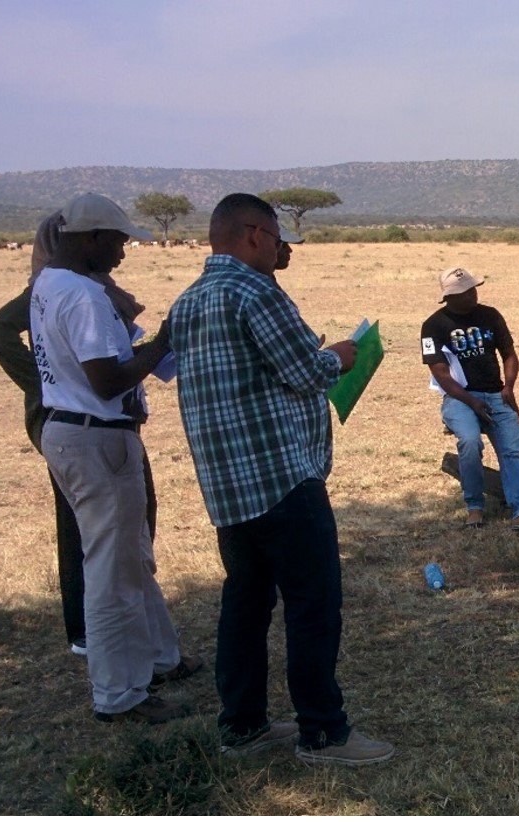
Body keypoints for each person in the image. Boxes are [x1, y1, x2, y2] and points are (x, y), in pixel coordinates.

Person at [168, 193, 394, 763]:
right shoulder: (255, 291)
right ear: (251, 234)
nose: (279, 247)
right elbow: (304, 371)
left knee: (244, 605)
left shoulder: (188, 301)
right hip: (281, 477)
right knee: (312, 605)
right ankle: (323, 731)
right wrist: (342, 354)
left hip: (227, 486)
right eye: (275, 237)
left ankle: (241, 726)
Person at [31, 192, 197, 724]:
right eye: (118, 242)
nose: (123, 253)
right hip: (98, 436)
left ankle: (159, 658)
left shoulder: (48, 284)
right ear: (92, 239)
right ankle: (119, 694)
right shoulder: (82, 295)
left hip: (71, 430)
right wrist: (162, 342)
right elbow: (106, 380)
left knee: (129, 556)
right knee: (110, 572)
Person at [421, 266, 519, 533]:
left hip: (496, 393)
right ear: (450, 296)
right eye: (466, 291)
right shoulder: (433, 326)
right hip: (459, 397)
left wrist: (509, 387)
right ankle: (474, 506)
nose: (473, 294)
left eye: (473, 288)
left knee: (511, 450)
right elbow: (442, 375)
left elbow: (509, 354)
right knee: (469, 442)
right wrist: (471, 402)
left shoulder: (490, 316)